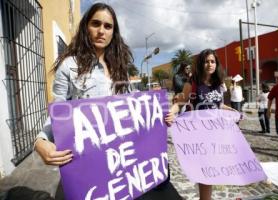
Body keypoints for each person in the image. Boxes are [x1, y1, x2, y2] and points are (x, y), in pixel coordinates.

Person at [34, 3, 181, 199]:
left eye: (107, 26)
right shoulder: (69, 66)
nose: (101, 31)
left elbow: (133, 108)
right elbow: (59, 111)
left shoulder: (121, 67)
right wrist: (41, 140)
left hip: (122, 163)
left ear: (114, 32)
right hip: (89, 162)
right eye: (96, 24)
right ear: (86, 26)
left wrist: (160, 116)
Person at [165, 49, 238, 200]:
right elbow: (181, 102)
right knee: (206, 170)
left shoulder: (218, 83)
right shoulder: (193, 83)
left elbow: (218, 105)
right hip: (199, 134)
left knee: (211, 170)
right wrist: (172, 112)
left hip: (216, 133)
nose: (209, 64)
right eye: (206, 61)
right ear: (201, 63)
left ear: (216, 64)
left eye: (212, 61)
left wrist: (233, 111)